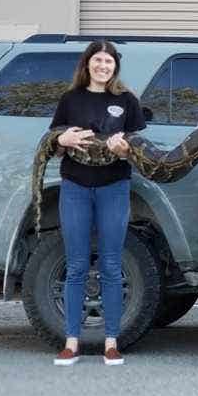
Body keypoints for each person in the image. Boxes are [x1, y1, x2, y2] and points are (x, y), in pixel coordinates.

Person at [50, 40, 146, 366]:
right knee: (76, 266)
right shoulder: (69, 99)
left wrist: (125, 149)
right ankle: (71, 342)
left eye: (109, 61)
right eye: (98, 60)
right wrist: (62, 139)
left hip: (114, 187)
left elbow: (138, 145)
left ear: (115, 66)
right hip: (75, 186)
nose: (103, 66)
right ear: (87, 64)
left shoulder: (127, 101)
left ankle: (111, 342)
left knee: (111, 266)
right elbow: (53, 139)